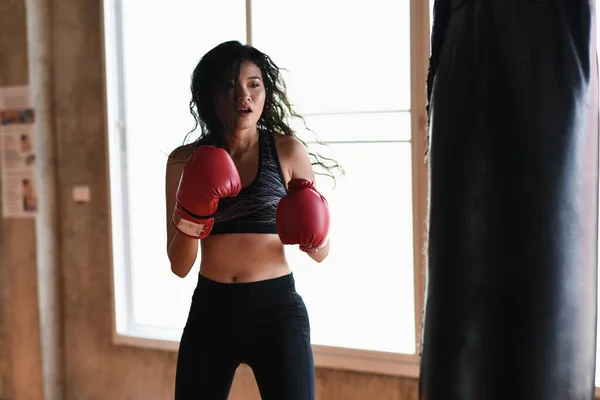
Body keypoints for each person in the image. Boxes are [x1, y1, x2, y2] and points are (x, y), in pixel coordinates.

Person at [165, 40, 342, 400]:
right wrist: (192, 213)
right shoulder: (184, 161)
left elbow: (321, 253)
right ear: (211, 94)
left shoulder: (288, 151)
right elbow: (180, 266)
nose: (242, 95)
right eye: (230, 85)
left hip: (276, 311)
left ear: (265, 91)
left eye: (253, 84)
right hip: (211, 311)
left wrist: (315, 234)